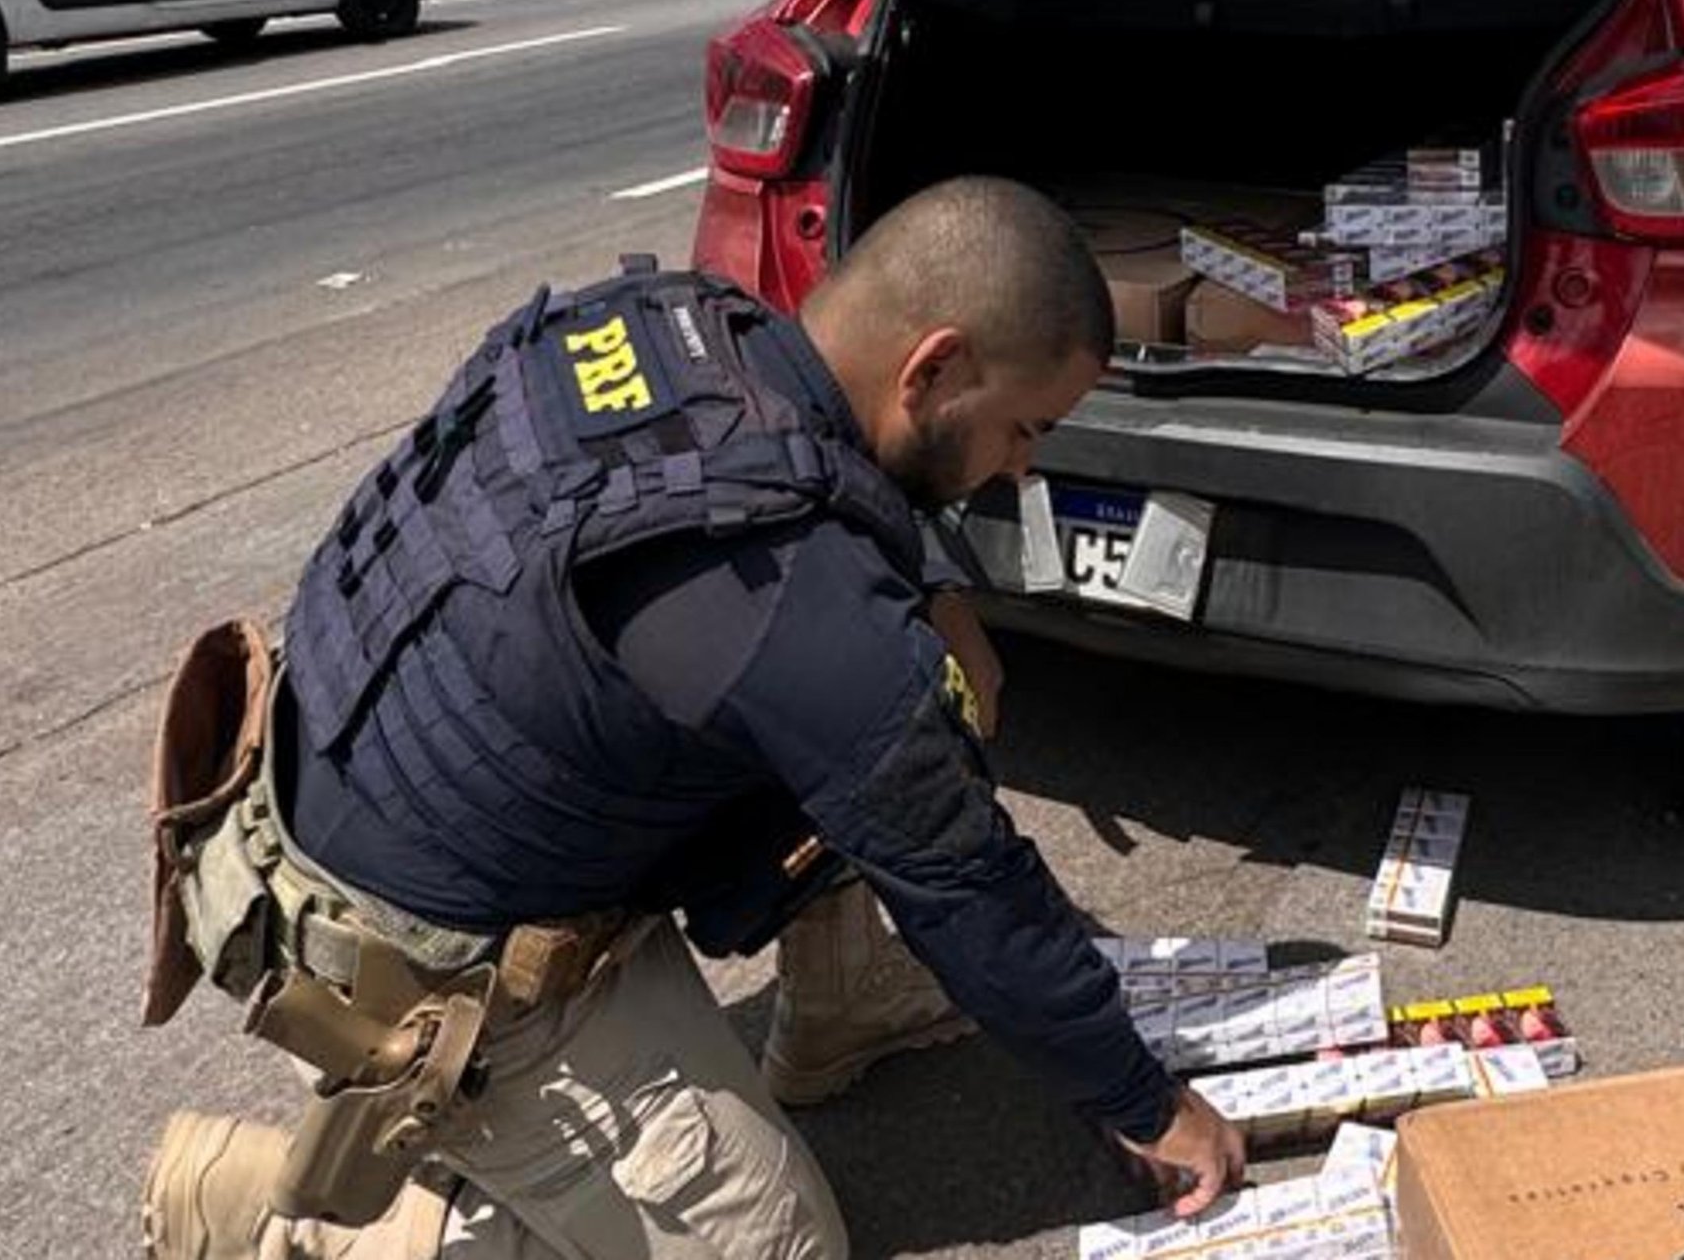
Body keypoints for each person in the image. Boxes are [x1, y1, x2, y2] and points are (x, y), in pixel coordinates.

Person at [135, 176, 1245, 1258]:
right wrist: (1142, 1101)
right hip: (400, 973)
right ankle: (289, 1222)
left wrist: (938, 599)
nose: (1017, 471)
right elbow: (967, 883)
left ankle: (841, 1008)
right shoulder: (776, 594)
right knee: (782, 1245)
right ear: (937, 367)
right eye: (1024, 430)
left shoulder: (690, 327)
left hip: (334, 787)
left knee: (892, 695)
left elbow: (850, 501)